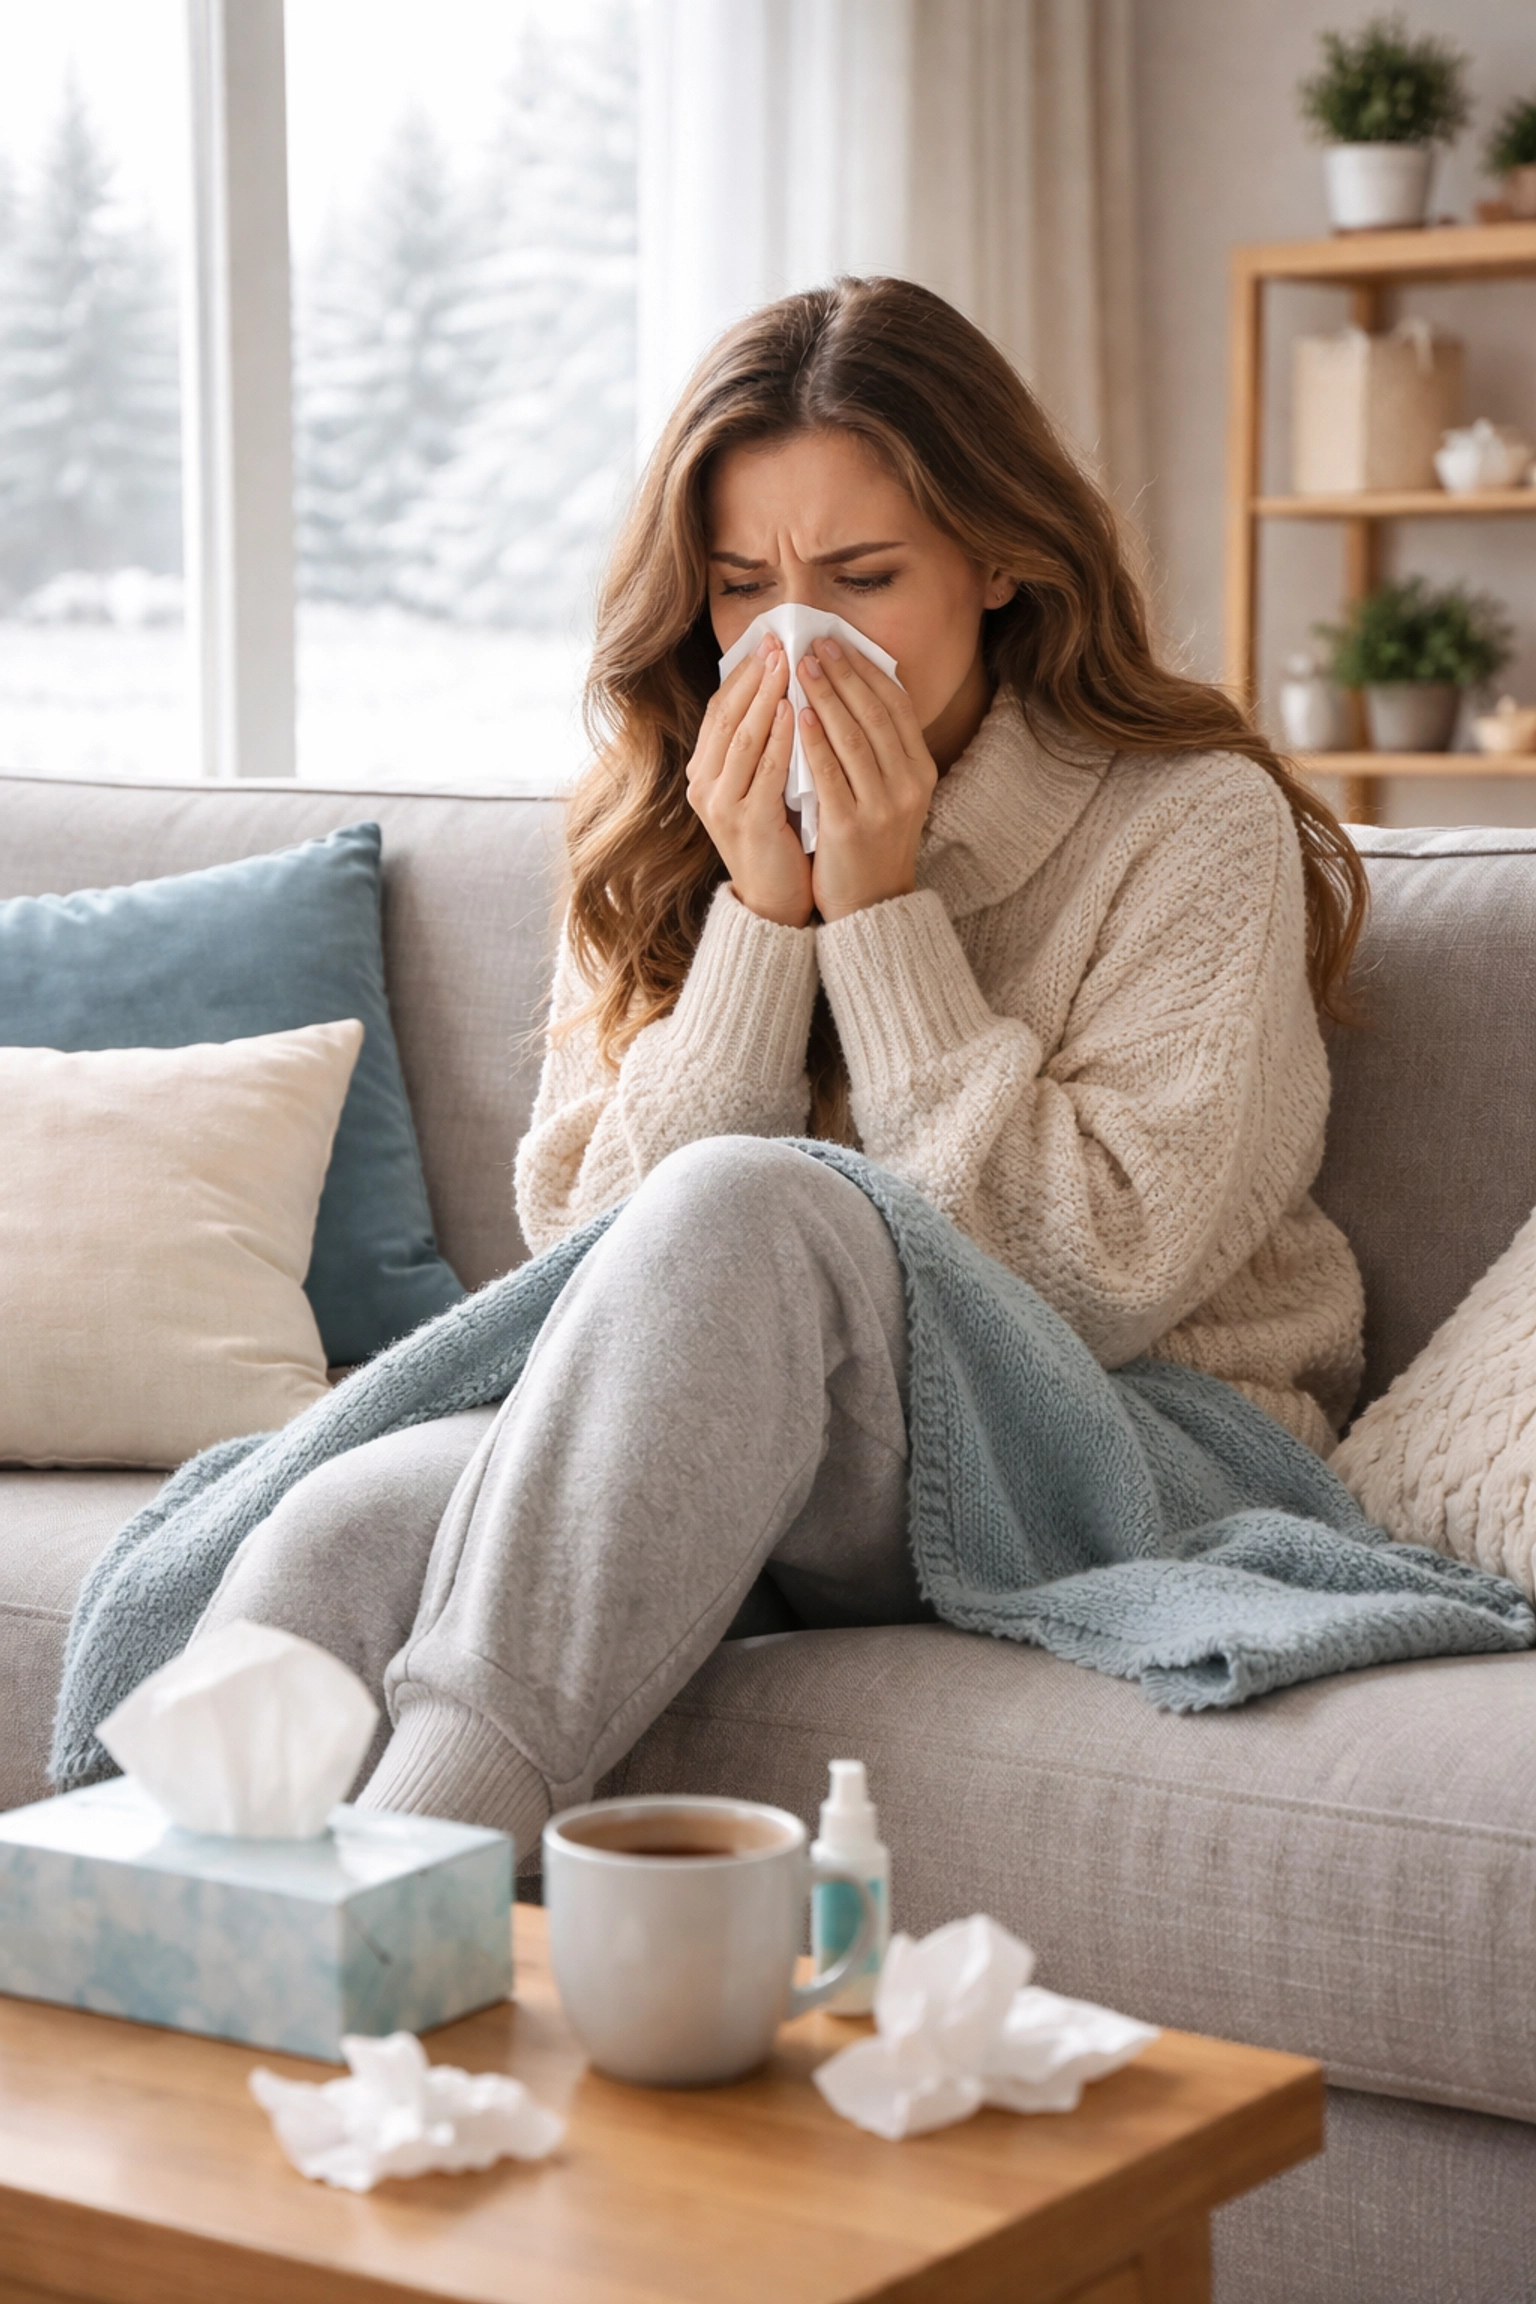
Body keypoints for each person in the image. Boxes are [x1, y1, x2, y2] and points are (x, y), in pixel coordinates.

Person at [196, 277, 1369, 1846]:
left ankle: (427, 1873)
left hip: (1127, 1436)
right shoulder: (665, 820)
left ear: (1002, 559)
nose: (793, 643)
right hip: (775, 1434)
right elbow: (594, 1258)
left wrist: (878, 921)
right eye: (743, 586)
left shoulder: (1186, 821)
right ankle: (150, 1944)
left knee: (757, 1203)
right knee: (348, 1519)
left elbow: (1096, 1272)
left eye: (863, 576)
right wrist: (758, 919)